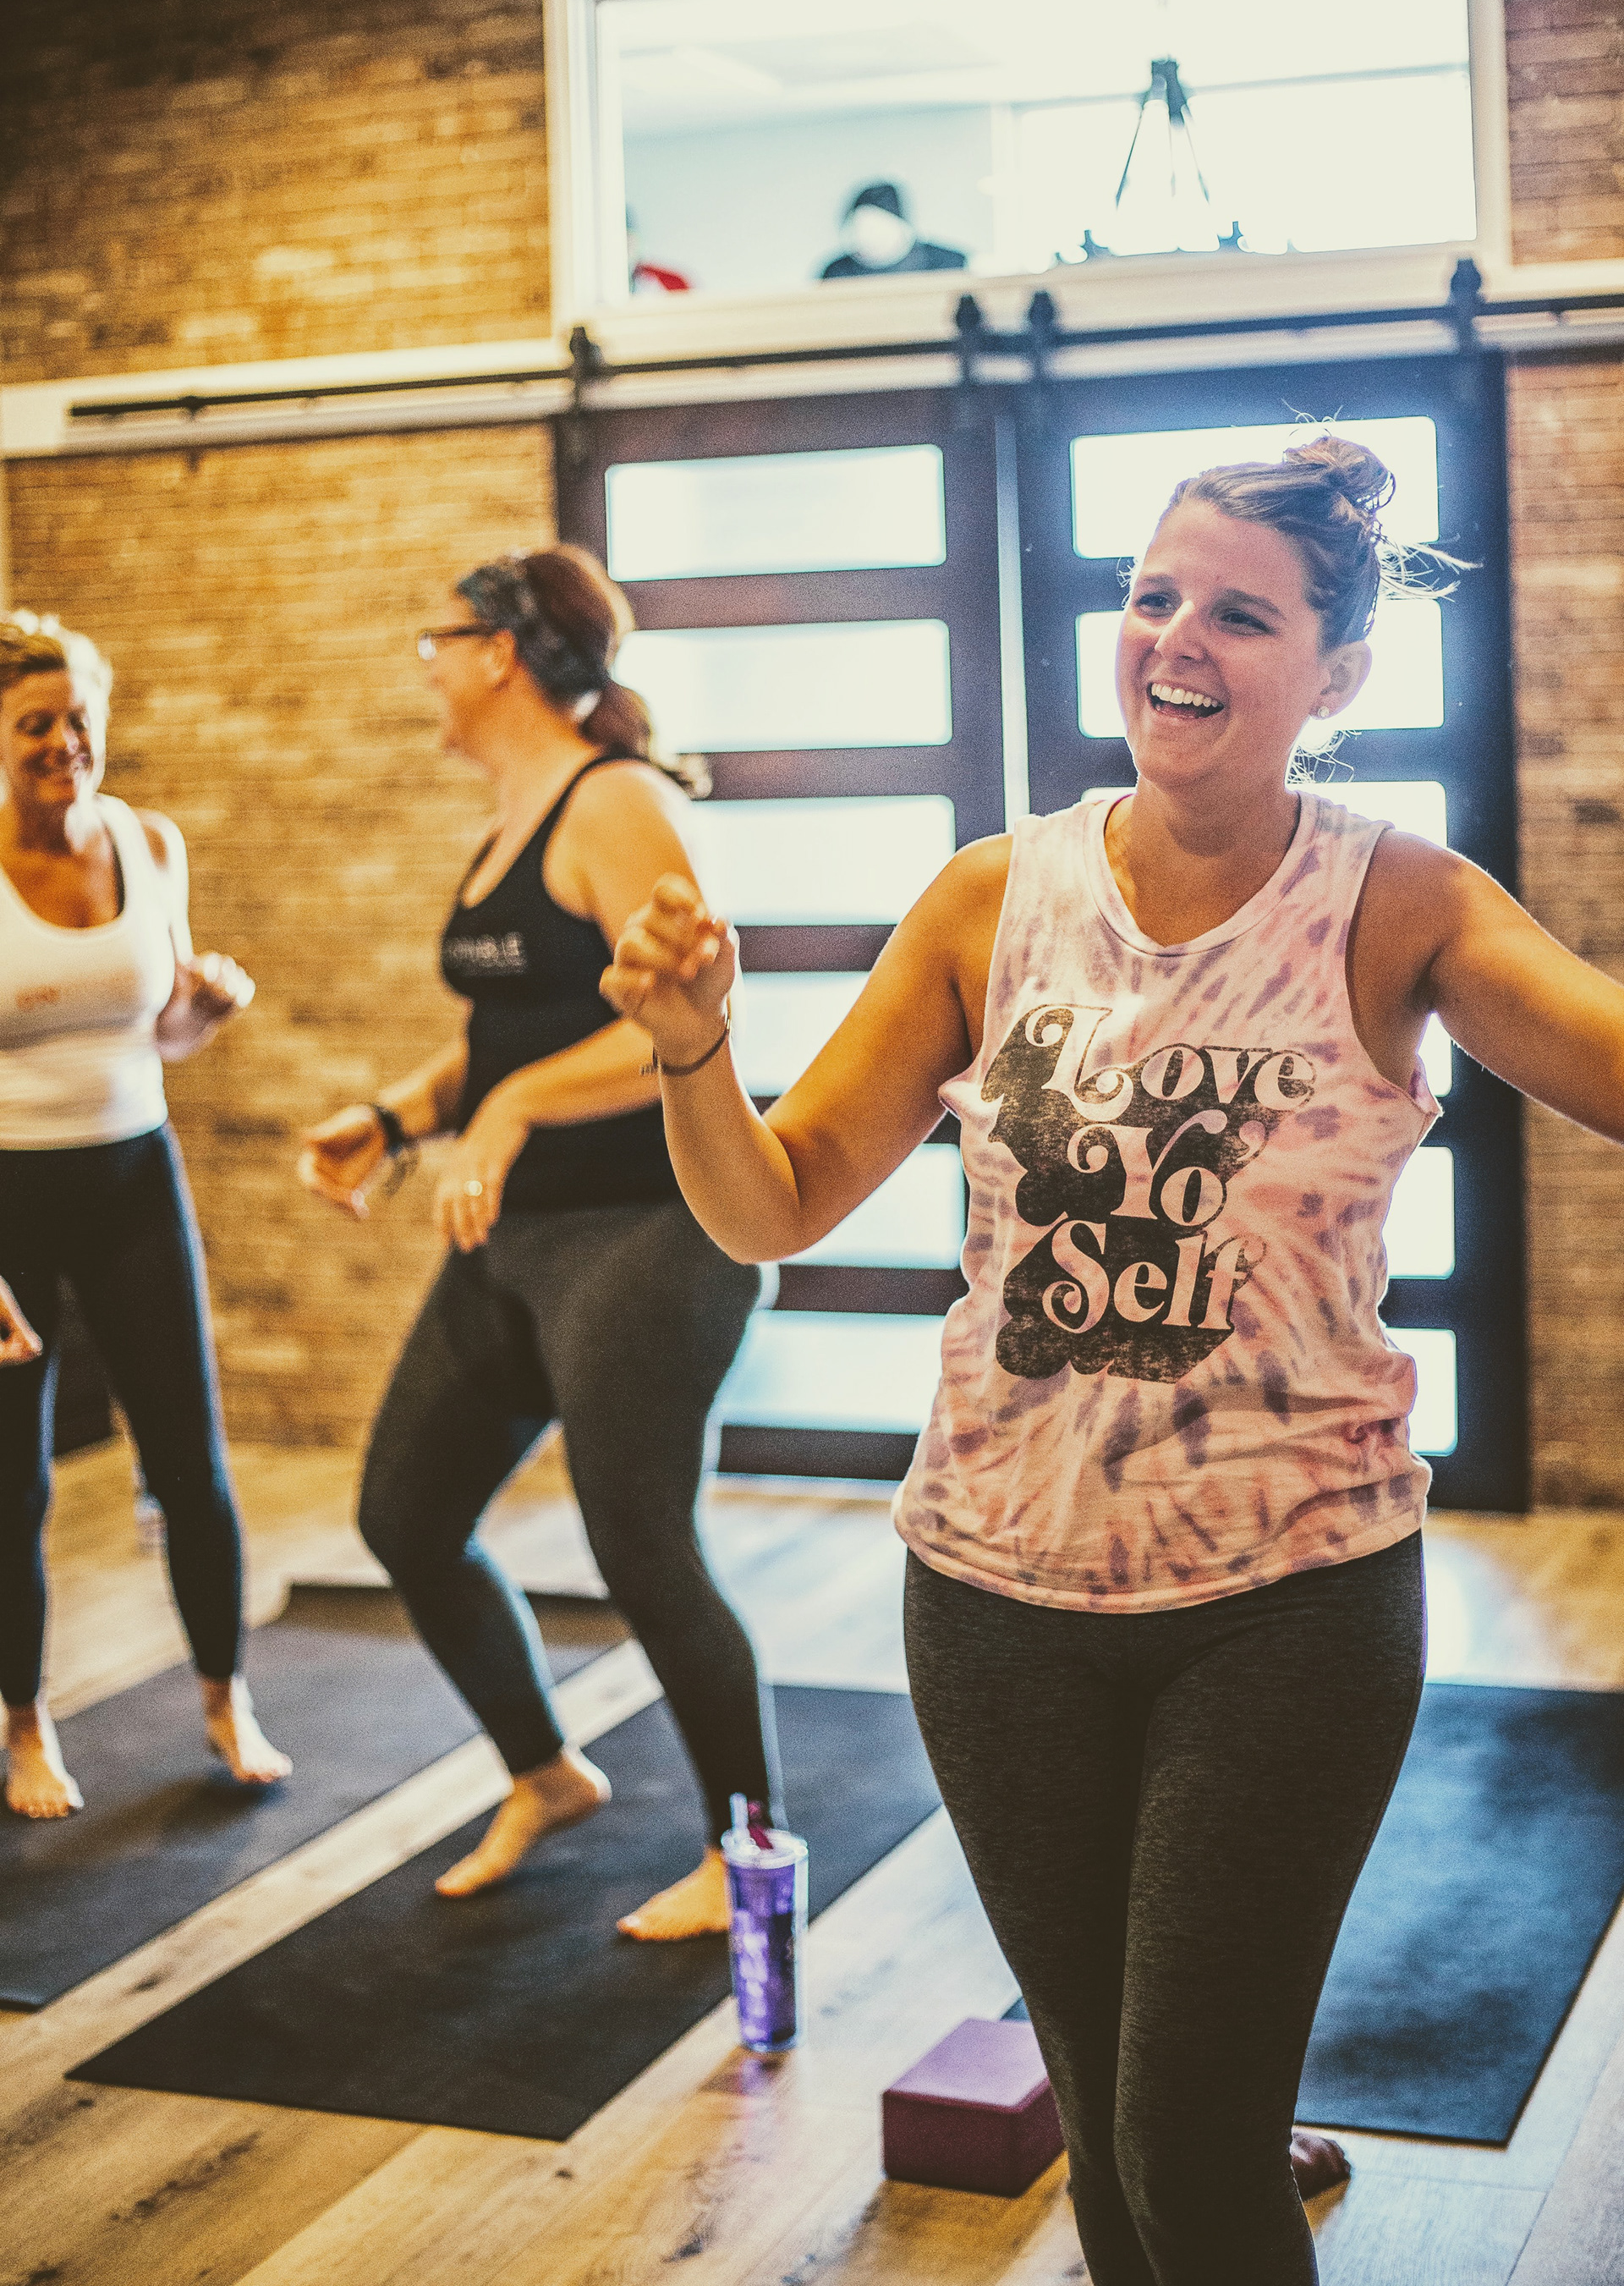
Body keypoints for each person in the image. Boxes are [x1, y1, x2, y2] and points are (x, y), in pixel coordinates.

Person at [603, 433, 1624, 2282]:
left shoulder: (1396, 900)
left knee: (1193, 2143)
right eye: (1155, 596)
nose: (1176, 638)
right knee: (1105, 2137)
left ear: (1337, 673)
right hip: (991, 1599)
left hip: (1290, 1603)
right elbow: (772, 1204)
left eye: (1241, 613)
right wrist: (692, 1050)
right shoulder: (992, 898)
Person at [298, 545, 776, 1936]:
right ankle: (546, 1771)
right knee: (406, 1516)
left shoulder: (613, 800)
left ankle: (746, 1853)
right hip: (517, 1235)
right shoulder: (513, 817)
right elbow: (512, 1031)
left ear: (499, 652)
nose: (426, 668)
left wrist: (509, 1111)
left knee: (642, 1546)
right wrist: (399, 1119)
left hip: (651, 1230)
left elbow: (683, 1018)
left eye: (436, 641)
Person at [0, 614, 288, 1820]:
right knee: (14, 1483)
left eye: (81, 719)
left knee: (188, 1459)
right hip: (8, 1197)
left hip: (133, 1178)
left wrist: (204, 1012)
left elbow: (161, 1031)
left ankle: (225, 1697)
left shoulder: (147, 842)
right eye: (35, 724)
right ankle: (25, 1724)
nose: (65, 744)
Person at [820, 180, 966, 279]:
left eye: (876, 227)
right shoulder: (837, 273)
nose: (867, 236)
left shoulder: (948, 264)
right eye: (859, 227)